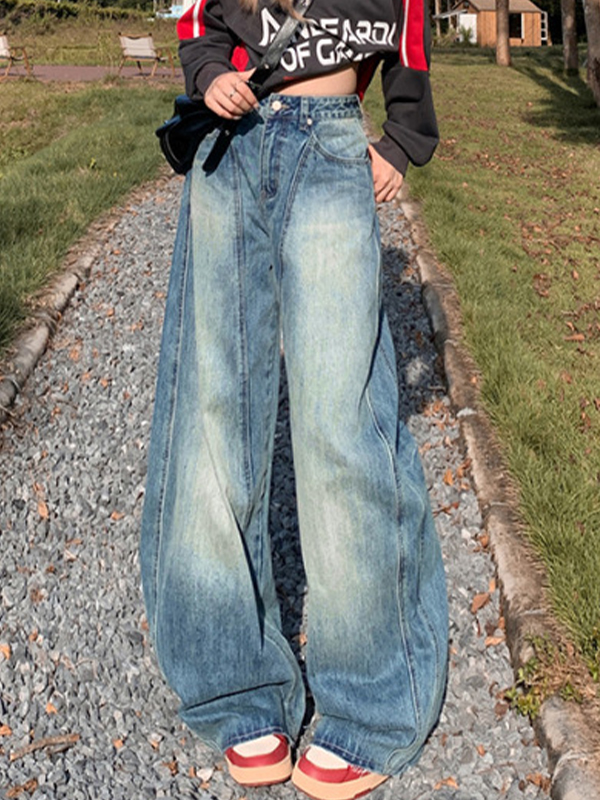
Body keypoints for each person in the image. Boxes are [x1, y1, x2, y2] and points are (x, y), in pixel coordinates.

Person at [140, 1, 449, 798]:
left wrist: (402, 139)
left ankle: (371, 700)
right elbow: (198, 20)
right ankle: (233, 682)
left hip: (330, 143)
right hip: (229, 149)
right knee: (215, 411)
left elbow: (409, 23)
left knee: (342, 419)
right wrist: (209, 74)